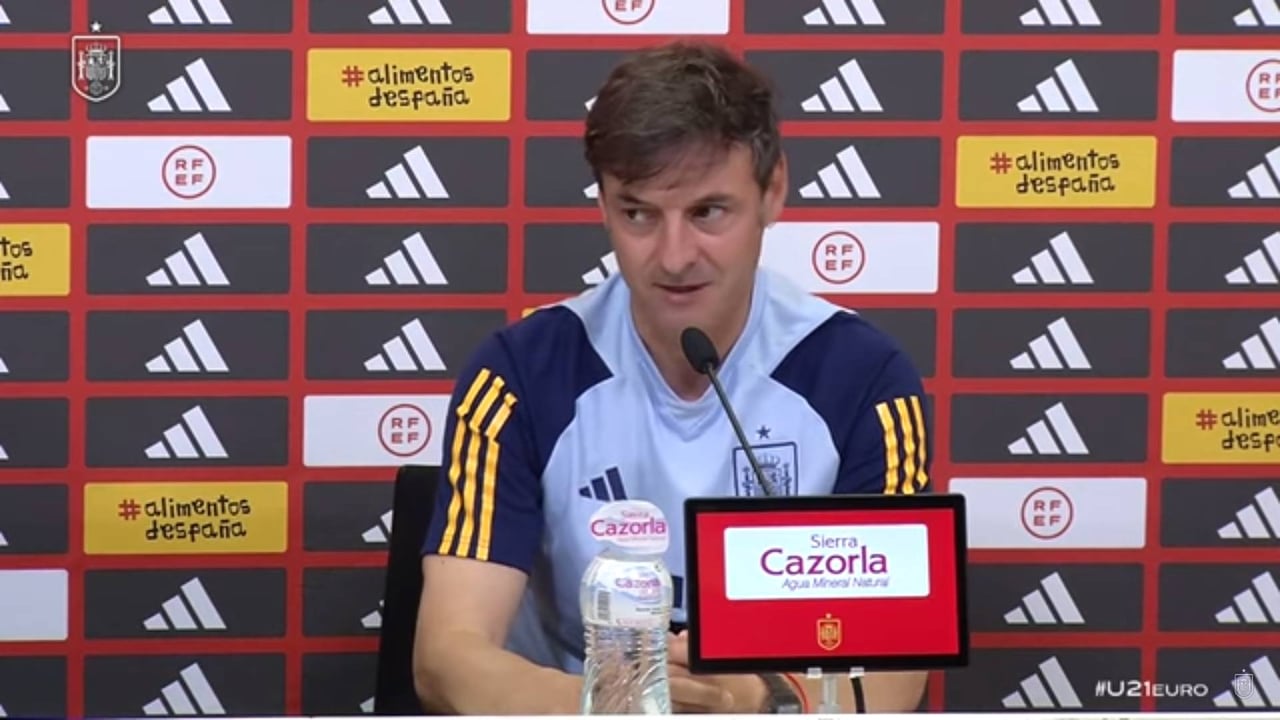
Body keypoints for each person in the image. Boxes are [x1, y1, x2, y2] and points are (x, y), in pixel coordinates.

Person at [412, 40, 932, 715]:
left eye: (708, 212)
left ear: (773, 192)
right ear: (603, 205)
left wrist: (755, 699)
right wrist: (622, 705)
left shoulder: (863, 378)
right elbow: (447, 655)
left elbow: (895, 671)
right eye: (639, 214)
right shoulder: (518, 374)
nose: (675, 256)